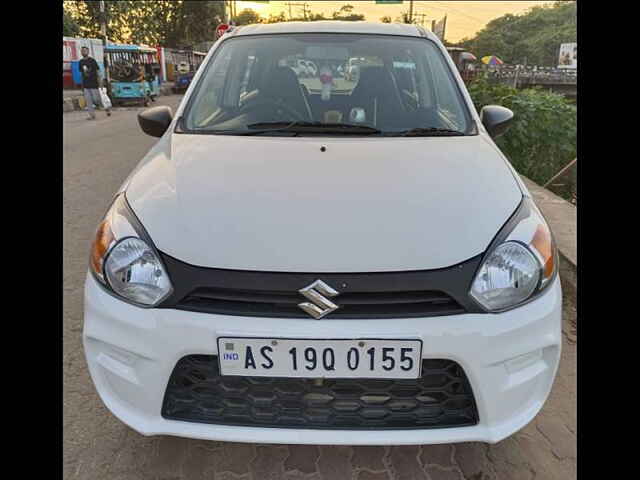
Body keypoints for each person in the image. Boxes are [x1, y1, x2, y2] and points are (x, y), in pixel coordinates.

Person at [79, 46, 111, 120]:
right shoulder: (81, 62)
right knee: (88, 101)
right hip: (86, 85)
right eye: (82, 51)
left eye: (85, 51)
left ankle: (106, 108)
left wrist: (101, 83)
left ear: (88, 52)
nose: (83, 52)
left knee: (97, 100)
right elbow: (82, 74)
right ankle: (92, 115)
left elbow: (98, 72)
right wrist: (82, 85)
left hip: (94, 84)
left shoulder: (92, 61)